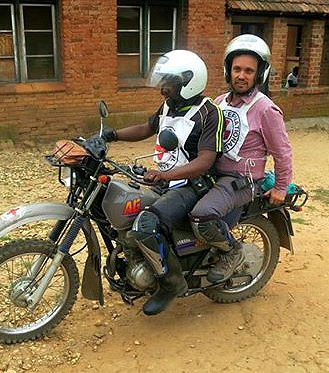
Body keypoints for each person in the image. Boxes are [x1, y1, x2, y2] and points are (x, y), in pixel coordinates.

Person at [102, 49, 223, 315]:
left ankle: (171, 283)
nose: (163, 89)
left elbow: (204, 161)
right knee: (121, 210)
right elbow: (147, 128)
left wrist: (165, 175)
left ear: (189, 82)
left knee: (146, 223)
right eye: (163, 82)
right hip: (167, 180)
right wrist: (110, 135)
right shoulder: (171, 105)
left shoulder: (209, 112)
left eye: (169, 83)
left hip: (194, 184)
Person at [189, 34, 293, 283]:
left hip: (240, 180)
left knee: (202, 213)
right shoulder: (219, 102)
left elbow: (283, 151)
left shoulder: (265, 109)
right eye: (237, 69)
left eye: (248, 70)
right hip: (212, 172)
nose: (241, 75)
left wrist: (281, 186)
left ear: (259, 75)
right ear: (228, 70)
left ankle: (232, 252)